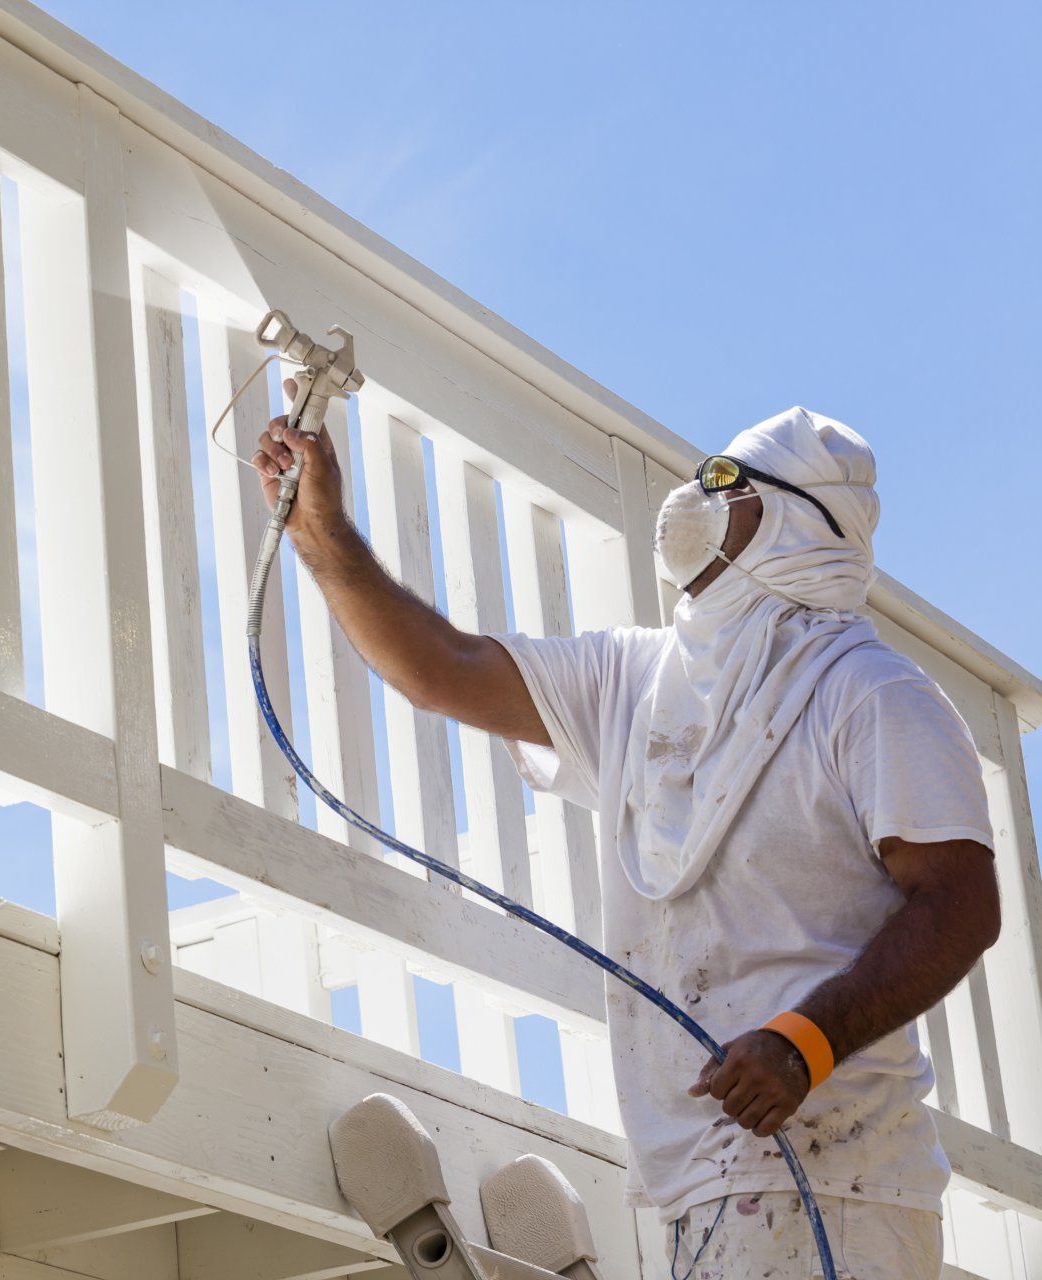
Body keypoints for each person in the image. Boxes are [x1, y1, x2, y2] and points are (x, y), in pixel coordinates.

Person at [253, 400, 1001, 1279]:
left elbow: (959, 904)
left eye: (727, 480)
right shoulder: (635, 678)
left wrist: (806, 1041)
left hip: (842, 1178)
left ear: (796, 521)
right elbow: (440, 671)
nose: (697, 493)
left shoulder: (870, 693)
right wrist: (321, 531)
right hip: (692, 1176)